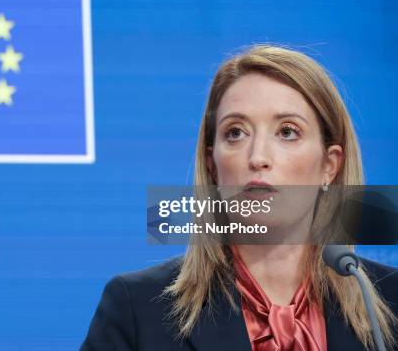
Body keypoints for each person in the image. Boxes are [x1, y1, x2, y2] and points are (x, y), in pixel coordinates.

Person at [81, 45, 398, 350]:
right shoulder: (136, 308)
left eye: (287, 132)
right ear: (212, 165)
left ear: (329, 165)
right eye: (235, 132)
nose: (258, 157)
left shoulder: (390, 300)